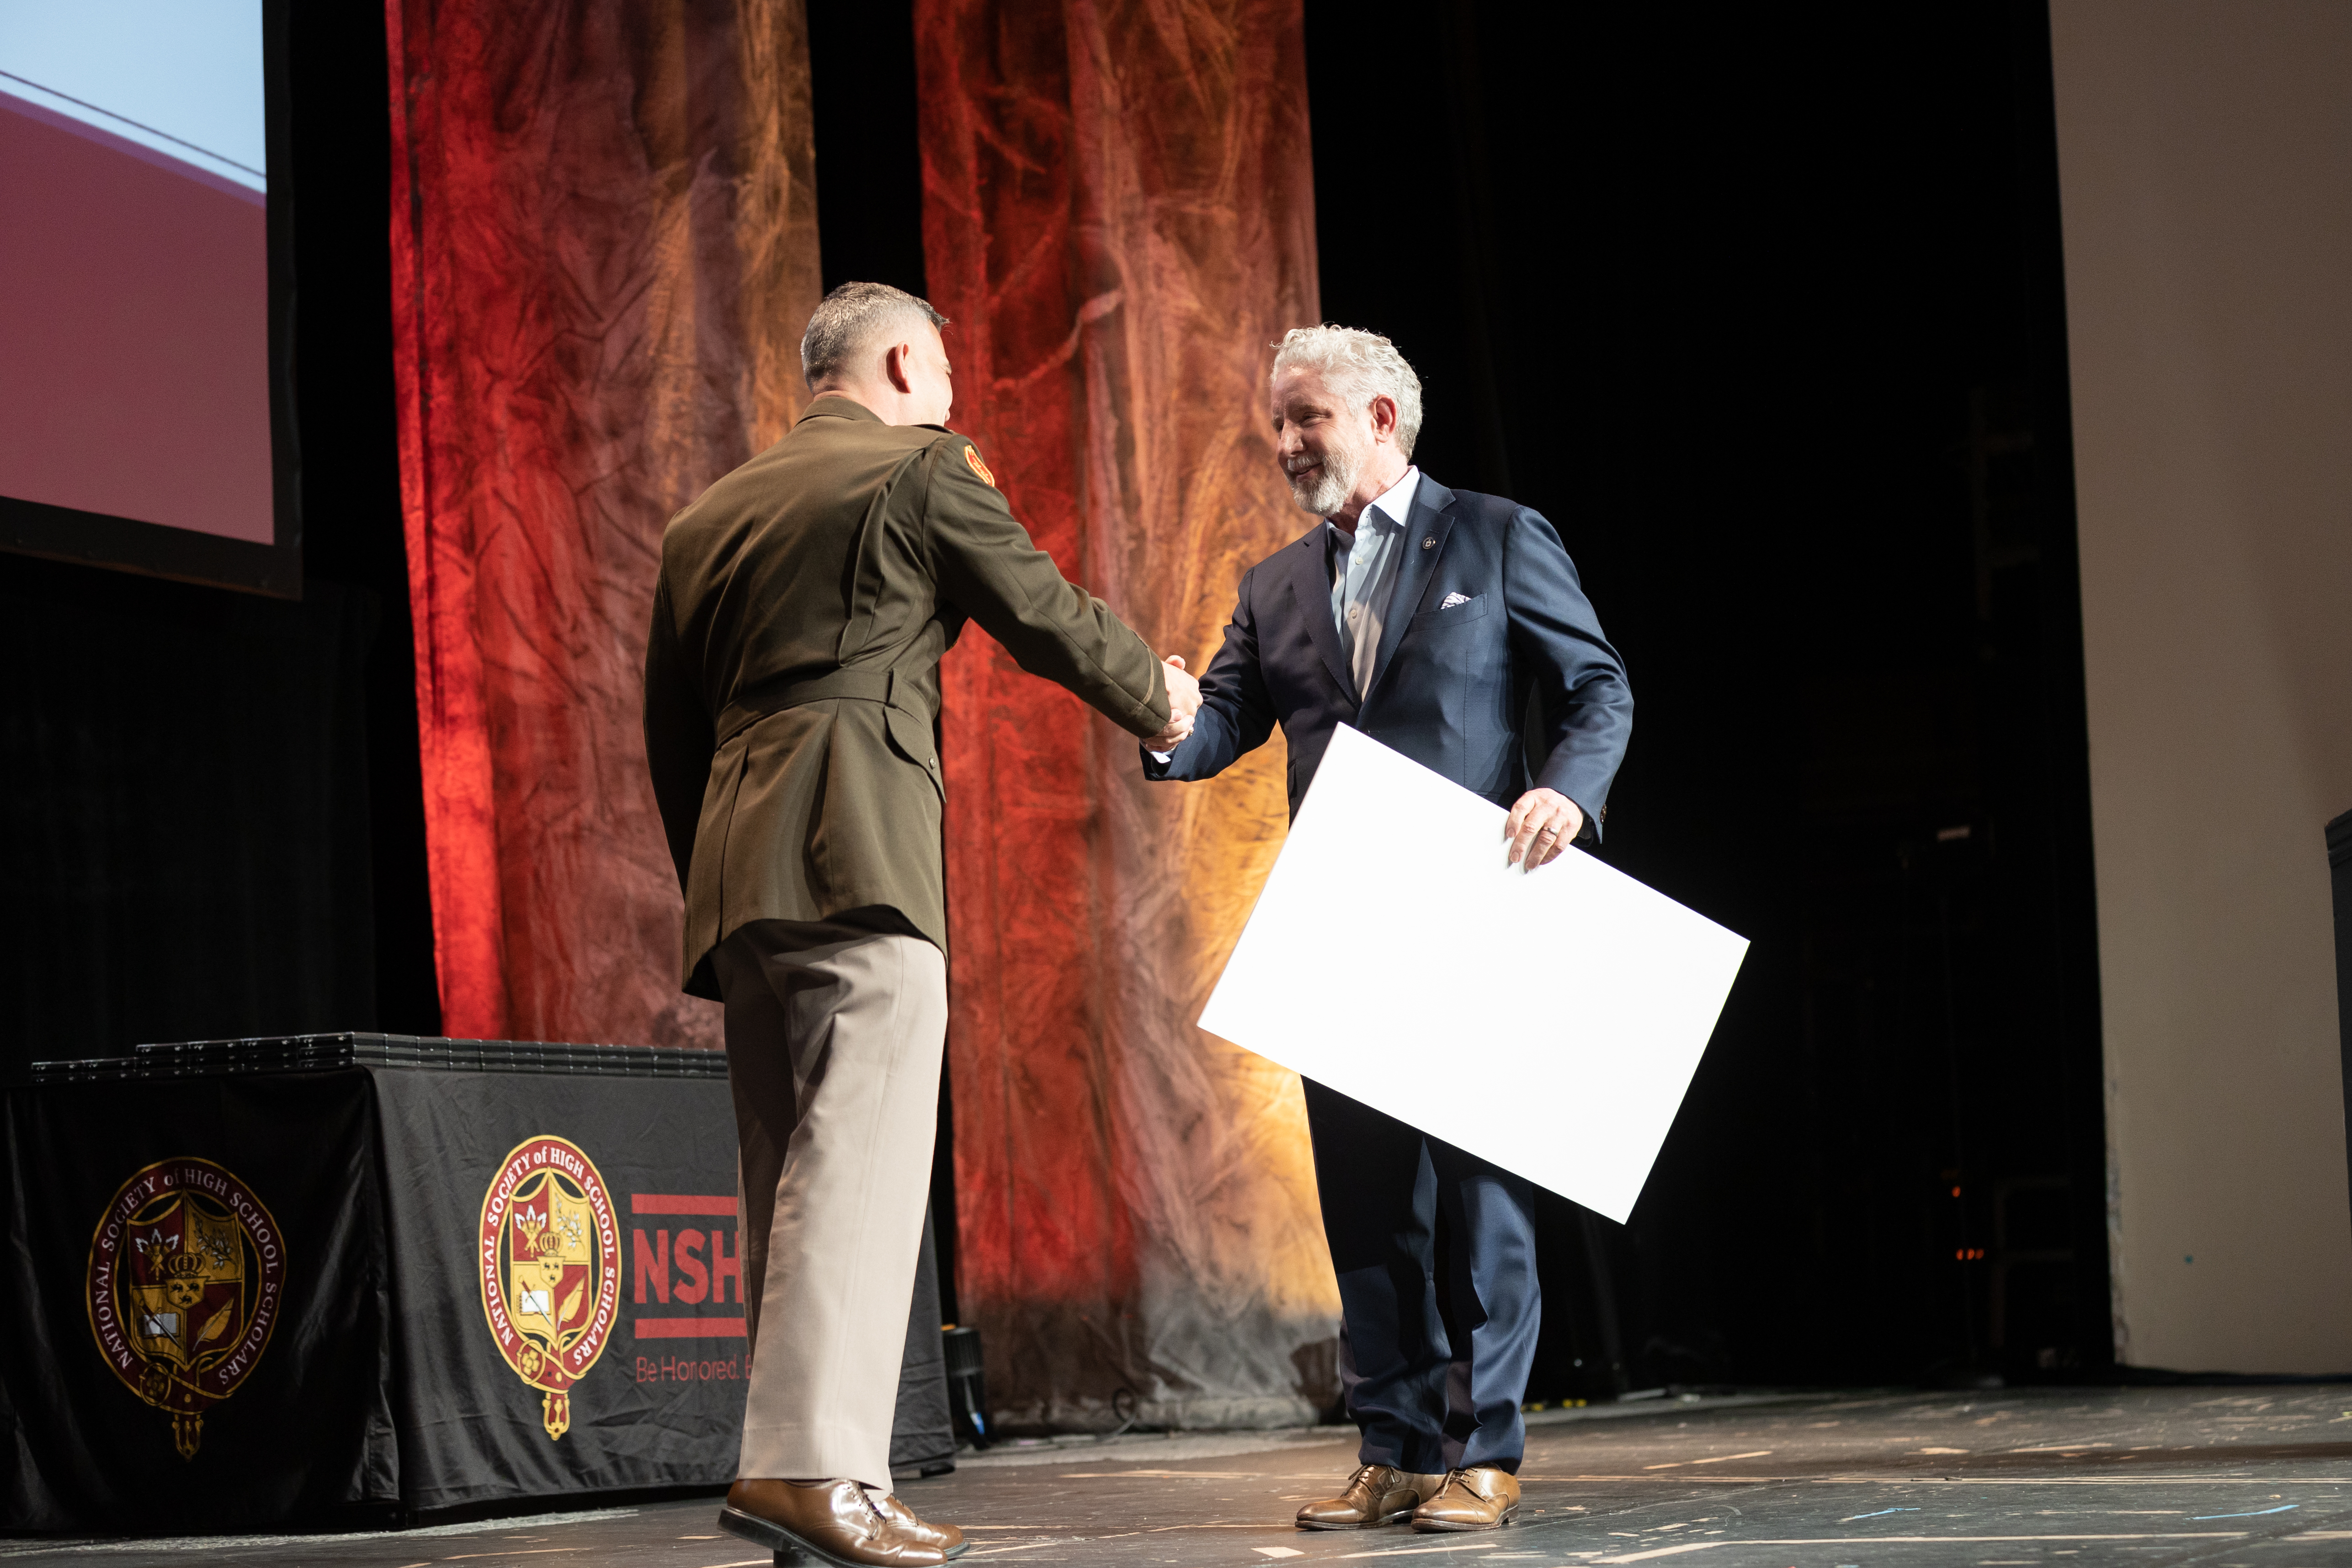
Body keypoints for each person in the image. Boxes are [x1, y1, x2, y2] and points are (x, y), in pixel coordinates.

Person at [643, 281, 1199, 1568]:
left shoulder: (704, 517)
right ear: (902, 361)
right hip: (860, 853)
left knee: (788, 1180)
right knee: (859, 1164)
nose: (951, 398)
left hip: (740, 871)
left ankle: (831, 1472)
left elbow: (672, 739)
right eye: (943, 374)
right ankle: (799, 1468)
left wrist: (721, 878)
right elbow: (1042, 611)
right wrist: (1160, 699)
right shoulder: (922, 467)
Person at [1141, 324, 1633, 1534]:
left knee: (1482, 1194)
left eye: (1305, 417)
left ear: (1380, 419)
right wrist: (1160, 721)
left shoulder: (1496, 536)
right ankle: (1397, 1446)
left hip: (1474, 905)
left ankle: (1486, 1450)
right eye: (1278, 421)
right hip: (1341, 923)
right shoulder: (1272, 584)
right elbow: (1218, 729)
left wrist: (1566, 789)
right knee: (1367, 1200)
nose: (1284, 442)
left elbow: (1596, 687)